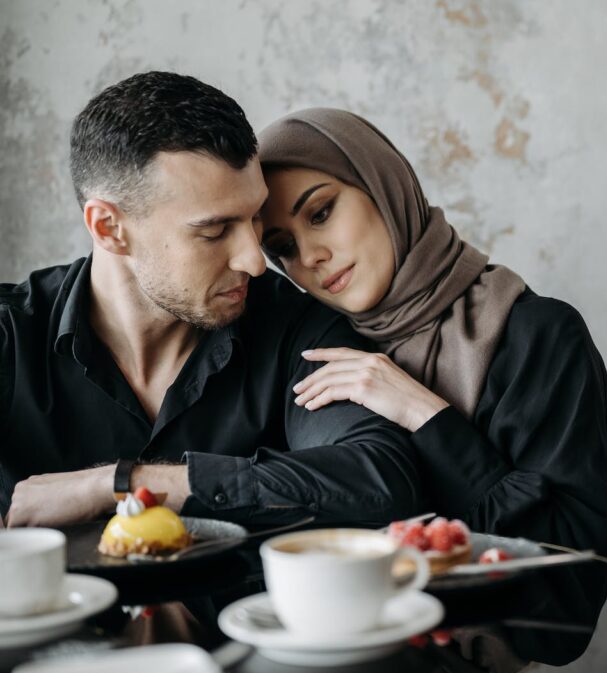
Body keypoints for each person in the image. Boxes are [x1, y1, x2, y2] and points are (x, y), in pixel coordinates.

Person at [0, 73, 422, 528]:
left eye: (254, 219)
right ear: (109, 228)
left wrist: (121, 485)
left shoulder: (296, 328)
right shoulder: (11, 337)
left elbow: (379, 483)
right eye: (214, 231)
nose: (254, 261)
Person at [258, 109, 607, 569]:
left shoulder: (536, 333)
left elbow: (566, 545)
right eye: (284, 248)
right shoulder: (318, 358)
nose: (311, 255)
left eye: (321, 213)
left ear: (383, 187)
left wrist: (423, 413)